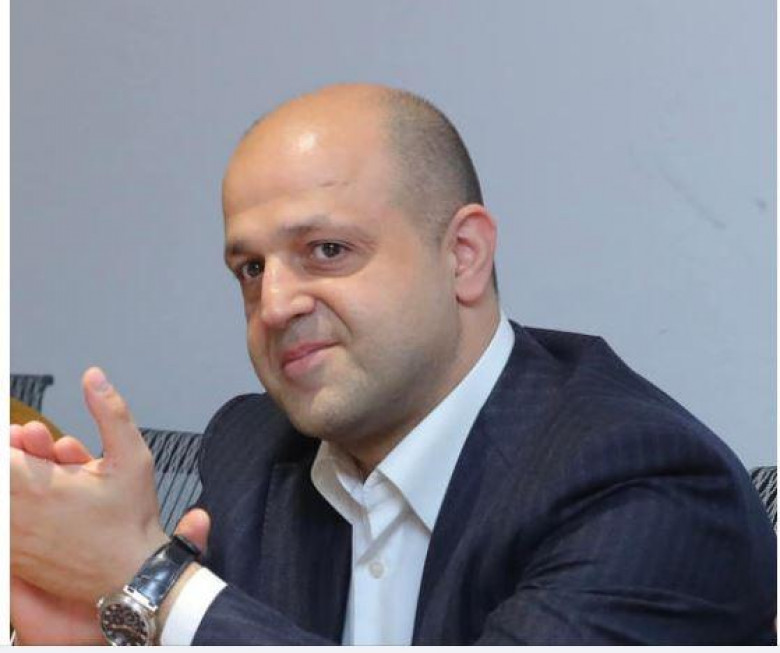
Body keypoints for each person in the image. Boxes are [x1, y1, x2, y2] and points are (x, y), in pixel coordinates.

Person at [10, 83, 776, 645]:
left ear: (463, 255)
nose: (274, 304)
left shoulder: (648, 481)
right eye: (251, 268)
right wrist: (99, 631)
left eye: (327, 250)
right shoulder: (252, 450)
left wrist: (151, 582)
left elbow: (183, 610)